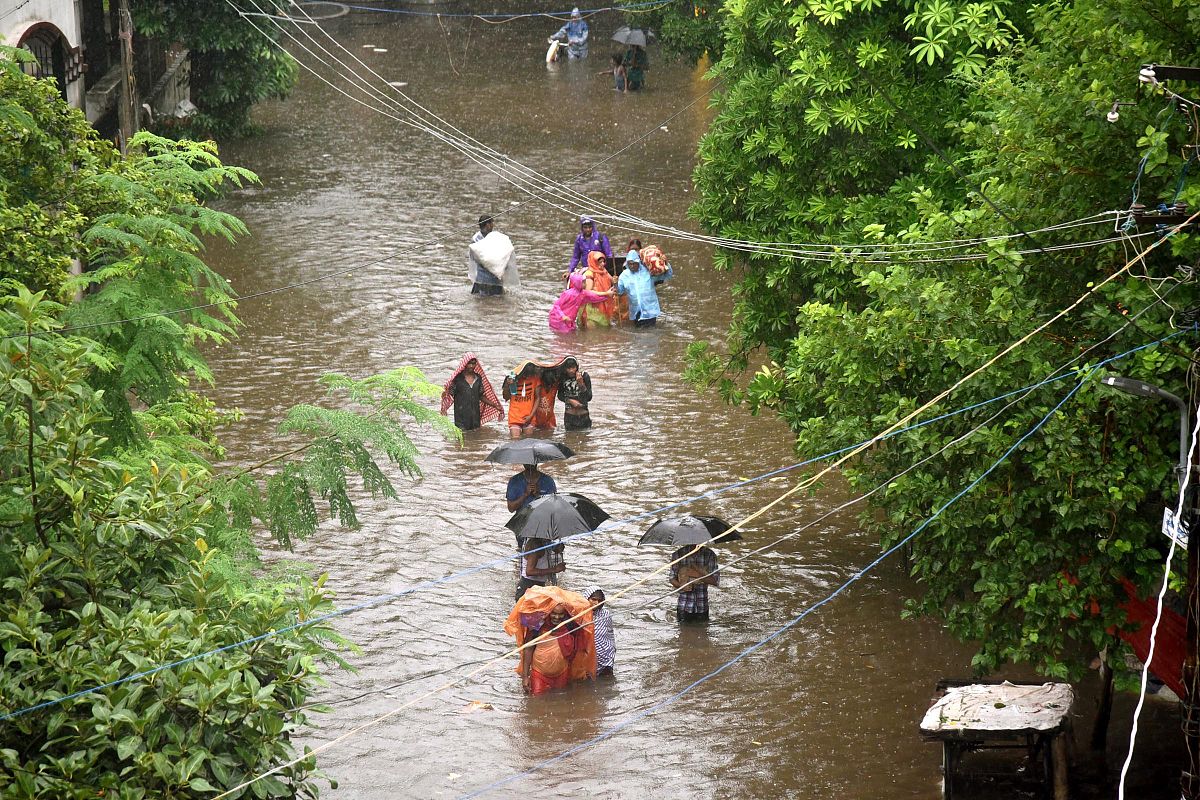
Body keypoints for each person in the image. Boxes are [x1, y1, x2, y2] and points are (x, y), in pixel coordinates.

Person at [505, 588, 596, 694]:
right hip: (539, 674)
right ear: (548, 612)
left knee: (559, 702)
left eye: (560, 614)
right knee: (536, 702)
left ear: (565, 615)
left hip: (562, 673)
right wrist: (525, 677)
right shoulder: (537, 625)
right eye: (554, 614)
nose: (557, 617)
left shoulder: (569, 625)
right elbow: (528, 649)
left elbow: (583, 637)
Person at [439, 353, 504, 431]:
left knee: (475, 436)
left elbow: (480, 396)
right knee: (463, 436)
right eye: (469, 363)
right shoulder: (458, 379)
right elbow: (449, 394)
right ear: (465, 364)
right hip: (461, 418)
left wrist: (495, 405)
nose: (471, 366)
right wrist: (444, 407)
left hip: (475, 417)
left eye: (473, 364)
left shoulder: (478, 378)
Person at [616, 248, 672, 326]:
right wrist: (614, 283)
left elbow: (667, 275)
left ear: (638, 262)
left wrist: (665, 263)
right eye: (630, 263)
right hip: (636, 311)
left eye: (634, 263)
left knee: (651, 332)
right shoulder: (624, 276)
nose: (632, 266)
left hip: (650, 310)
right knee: (639, 333)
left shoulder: (648, 271)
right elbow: (619, 291)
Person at [548, 271, 614, 333]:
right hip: (558, 320)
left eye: (585, 282)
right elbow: (556, 305)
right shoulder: (568, 294)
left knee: (570, 336)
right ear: (577, 283)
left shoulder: (583, 293)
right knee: (564, 339)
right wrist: (562, 316)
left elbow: (594, 297)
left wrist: (607, 295)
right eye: (583, 282)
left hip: (570, 321)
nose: (585, 284)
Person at [669, 545, 720, 623]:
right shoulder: (678, 554)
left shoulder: (710, 554)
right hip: (684, 606)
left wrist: (696, 574)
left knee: (703, 632)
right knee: (683, 633)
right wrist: (681, 585)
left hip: (702, 606)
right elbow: (672, 578)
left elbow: (716, 581)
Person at [502, 362, 541, 438]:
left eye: (530, 375)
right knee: (515, 439)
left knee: (528, 441)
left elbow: (537, 398)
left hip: (529, 417)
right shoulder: (512, 379)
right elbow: (505, 397)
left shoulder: (535, 379)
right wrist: (507, 385)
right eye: (526, 374)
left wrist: (531, 416)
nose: (527, 377)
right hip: (515, 417)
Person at [581, 251, 618, 327]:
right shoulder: (589, 274)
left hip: (604, 306)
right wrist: (606, 293)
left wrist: (615, 281)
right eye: (600, 262)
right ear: (594, 262)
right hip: (592, 309)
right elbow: (588, 292)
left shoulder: (604, 271)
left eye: (603, 262)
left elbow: (614, 283)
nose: (603, 264)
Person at [584, 586, 616, 677]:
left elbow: (610, 634)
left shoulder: (606, 614)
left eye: (599, 600)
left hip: (606, 657)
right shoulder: (579, 614)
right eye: (593, 599)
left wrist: (612, 651)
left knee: (607, 684)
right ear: (586, 598)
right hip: (587, 657)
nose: (596, 603)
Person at [556, 357, 593, 430]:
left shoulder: (584, 376)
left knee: (585, 439)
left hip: (584, 416)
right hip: (569, 417)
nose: (571, 371)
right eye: (568, 368)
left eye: (573, 367)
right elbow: (560, 395)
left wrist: (581, 384)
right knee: (569, 440)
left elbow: (589, 397)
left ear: (577, 367)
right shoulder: (562, 377)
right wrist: (570, 401)